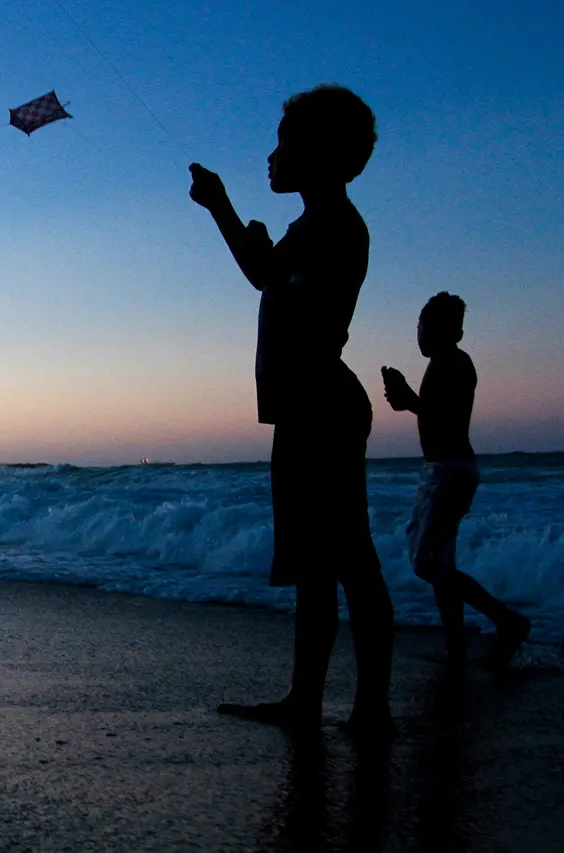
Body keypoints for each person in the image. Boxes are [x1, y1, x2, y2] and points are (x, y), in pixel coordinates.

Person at [189, 84, 394, 737]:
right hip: (306, 407)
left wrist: (228, 214)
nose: (272, 157)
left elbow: (280, 283)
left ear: (323, 153)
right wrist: (225, 211)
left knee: (351, 561)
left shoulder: (337, 226)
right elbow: (267, 272)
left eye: (284, 144)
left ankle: (370, 708)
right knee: (314, 566)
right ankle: (306, 699)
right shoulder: (310, 226)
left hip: (324, 407)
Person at [382, 292, 531, 668]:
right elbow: (434, 412)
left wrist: (408, 400)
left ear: (453, 332)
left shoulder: (453, 363)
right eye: (420, 325)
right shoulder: (445, 362)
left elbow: (443, 417)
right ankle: (456, 646)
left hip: (451, 471)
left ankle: (506, 620)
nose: (421, 333)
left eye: (426, 326)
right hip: (444, 470)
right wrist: (408, 400)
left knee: (429, 565)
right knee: (439, 562)